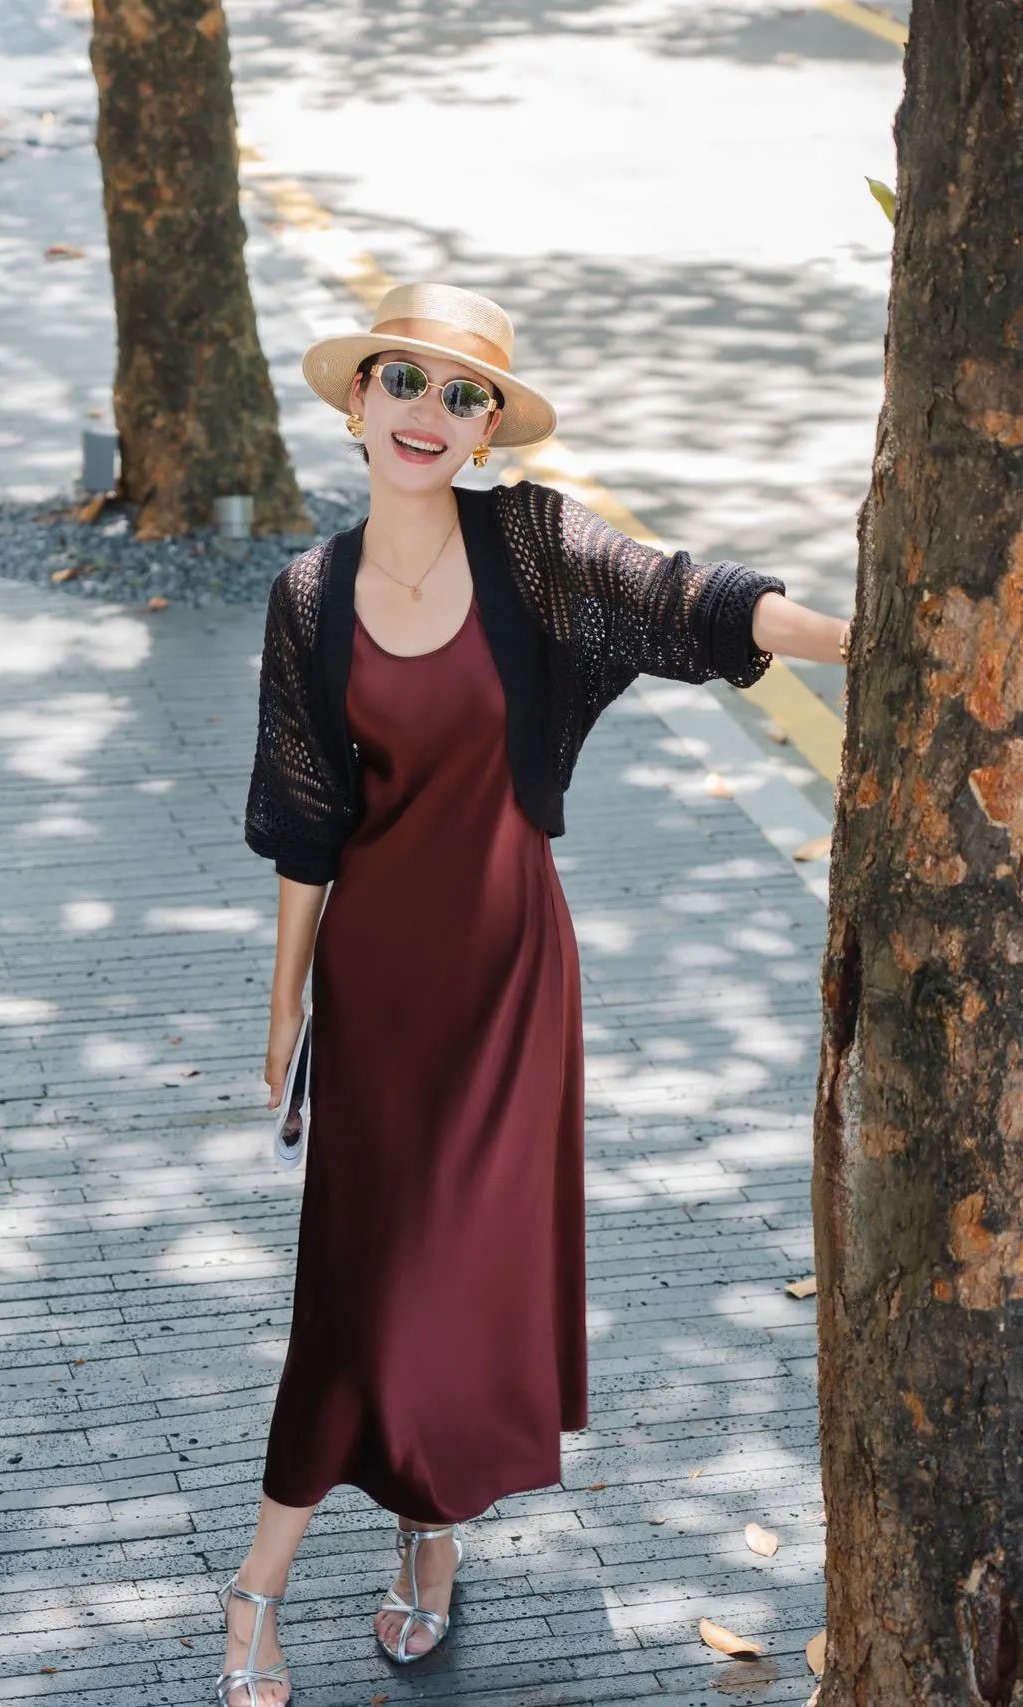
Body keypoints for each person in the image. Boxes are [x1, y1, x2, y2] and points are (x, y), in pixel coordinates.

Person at [218, 282, 853, 1706]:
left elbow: (695, 601)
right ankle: (256, 1587)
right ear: (357, 401)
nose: (429, 413)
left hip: (512, 985)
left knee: (451, 1283)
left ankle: (428, 1544)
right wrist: (284, 1004)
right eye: (403, 381)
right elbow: (305, 822)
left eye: (464, 395)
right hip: (380, 991)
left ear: (489, 426)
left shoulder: (535, 549)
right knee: (360, 1284)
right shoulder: (309, 596)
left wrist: (870, 641)